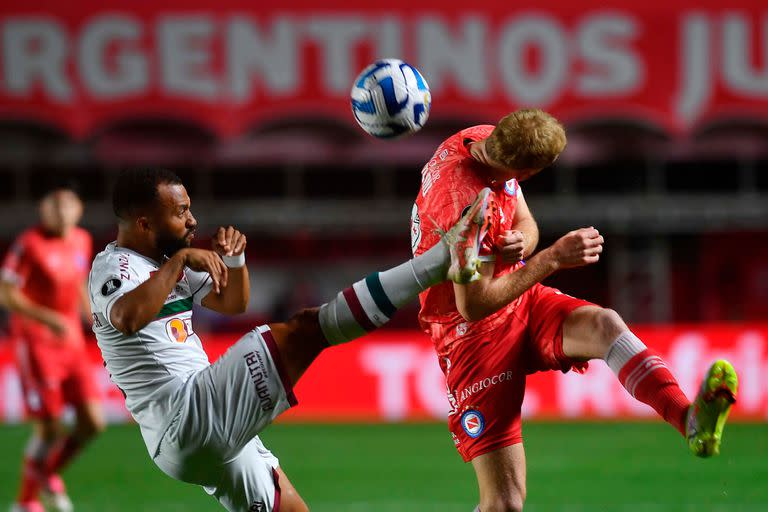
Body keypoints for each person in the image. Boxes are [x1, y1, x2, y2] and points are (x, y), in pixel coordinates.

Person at [87, 168, 494, 511]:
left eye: (189, 208)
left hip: (193, 436)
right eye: (180, 212)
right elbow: (126, 318)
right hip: (186, 415)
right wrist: (179, 262)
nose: (192, 220)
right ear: (143, 223)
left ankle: (443, 259)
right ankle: (443, 259)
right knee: (305, 330)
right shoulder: (115, 266)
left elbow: (233, 303)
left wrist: (235, 260)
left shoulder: (165, 264)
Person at [410, 108, 739, 512]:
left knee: (604, 325)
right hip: (470, 337)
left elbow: (525, 221)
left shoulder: (484, 141)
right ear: (527, 170)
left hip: (519, 299)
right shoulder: (462, 207)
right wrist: (550, 259)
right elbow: (473, 305)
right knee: (504, 503)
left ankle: (690, 422)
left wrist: (519, 242)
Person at [0, 183, 105, 512]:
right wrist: (48, 318)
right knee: (50, 429)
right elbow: (6, 294)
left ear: (79, 211)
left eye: (67, 207)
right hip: (37, 344)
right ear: (43, 211)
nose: (61, 213)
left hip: (71, 343)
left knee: (93, 423)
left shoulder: (81, 240)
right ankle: (25, 502)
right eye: (54, 207)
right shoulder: (28, 244)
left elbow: (78, 280)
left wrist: (94, 316)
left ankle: (46, 475)